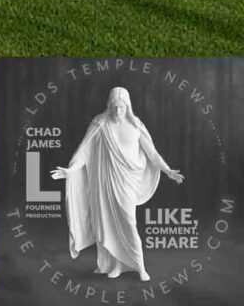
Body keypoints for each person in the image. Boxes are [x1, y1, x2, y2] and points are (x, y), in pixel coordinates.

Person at [51, 86, 185, 281]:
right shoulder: (100, 124)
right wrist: (70, 171)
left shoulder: (136, 126)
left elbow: (152, 153)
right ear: (109, 106)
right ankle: (114, 265)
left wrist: (168, 170)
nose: (117, 112)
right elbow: (84, 151)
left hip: (127, 183)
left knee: (129, 223)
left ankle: (140, 267)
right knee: (106, 223)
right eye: (114, 107)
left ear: (128, 107)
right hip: (104, 184)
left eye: (121, 108)